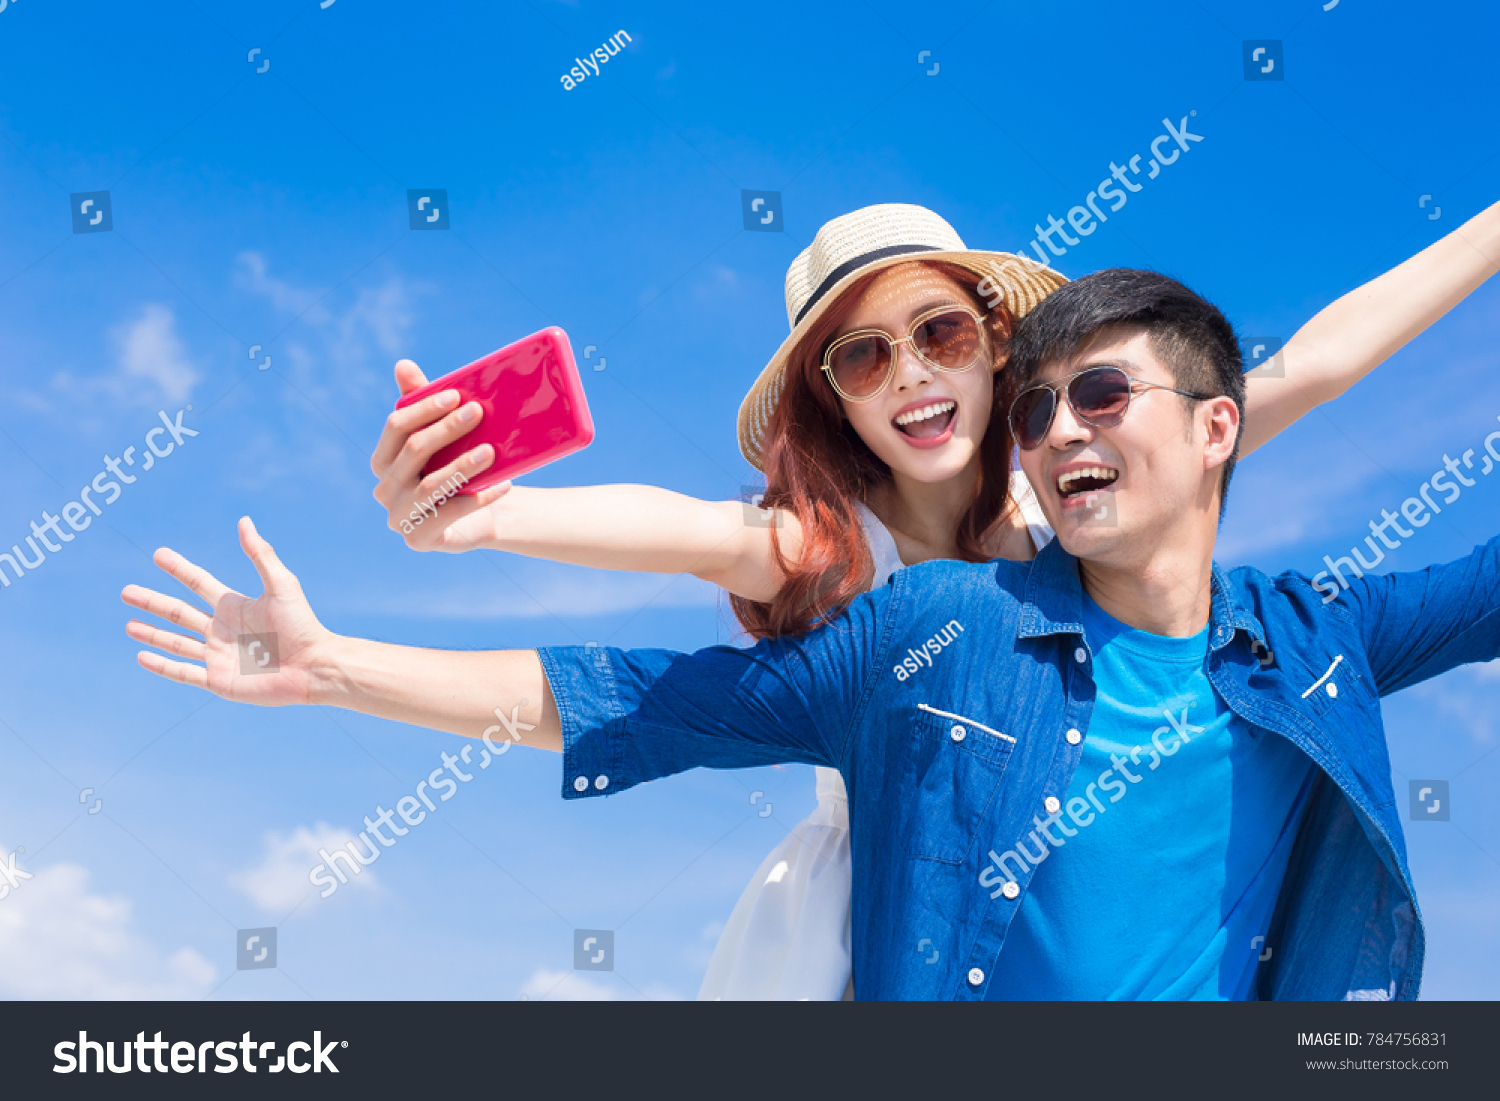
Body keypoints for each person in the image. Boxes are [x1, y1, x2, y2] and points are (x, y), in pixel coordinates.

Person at [124, 266, 1500, 1000]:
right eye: (861, 356)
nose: (908, 374)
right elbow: (637, 658)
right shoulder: (850, 566)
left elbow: (1313, 361)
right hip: (883, 856)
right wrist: (488, 527)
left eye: (938, 334)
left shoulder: (1088, 480)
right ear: (831, 401)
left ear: (992, 347)